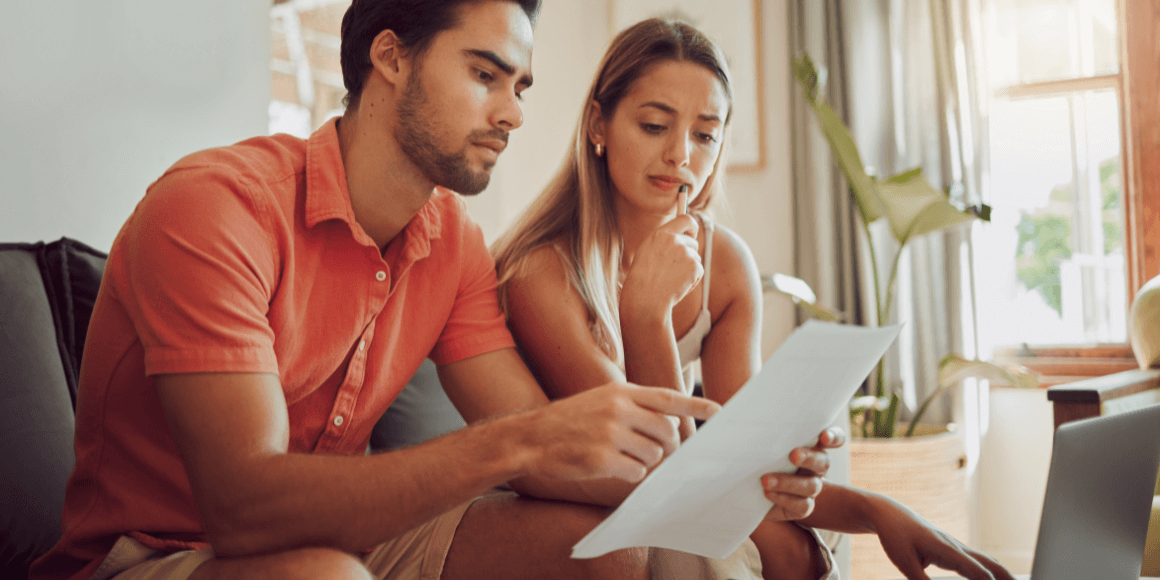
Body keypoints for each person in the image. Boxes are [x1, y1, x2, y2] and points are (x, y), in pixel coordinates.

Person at [29, 2, 844, 580]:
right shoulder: (215, 207)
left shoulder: (451, 243)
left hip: (353, 538)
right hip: (160, 551)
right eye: (487, 74)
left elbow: (549, 443)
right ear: (391, 57)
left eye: (521, 86)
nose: (515, 114)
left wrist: (763, 479)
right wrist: (519, 444)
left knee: (607, 550)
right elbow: (243, 510)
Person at [493, 17, 1017, 580]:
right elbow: (665, 469)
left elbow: (735, 468)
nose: (679, 155)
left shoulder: (724, 263)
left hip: (664, 486)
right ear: (599, 123)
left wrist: (875, 509)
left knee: (790, 545)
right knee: (734, 545)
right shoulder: (542, 271)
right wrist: (646, 315)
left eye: (705, 134)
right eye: (653, 125)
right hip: (566, 493)